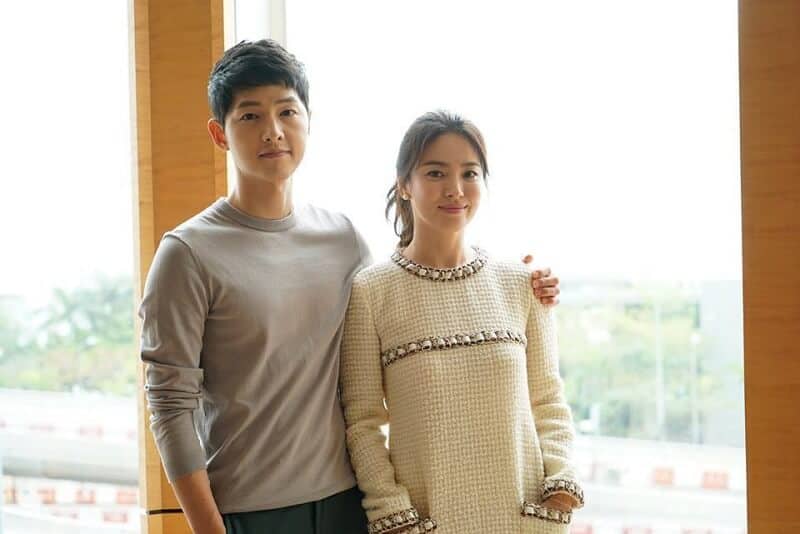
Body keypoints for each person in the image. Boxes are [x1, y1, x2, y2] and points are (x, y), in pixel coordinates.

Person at [139, 40, 562, 534]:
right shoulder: (187, 253)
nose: (273, 131)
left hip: (349, 504)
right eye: (250, 116)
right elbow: (169, 407)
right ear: (220, 134)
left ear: (308, 121)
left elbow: (414, 291)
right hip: (249, 510)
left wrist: (519, 281)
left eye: (287, 112)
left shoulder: (342, 239)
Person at [340, 111, 583, 534]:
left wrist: (561, 488)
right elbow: (362, 422)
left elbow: (548, 400)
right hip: (428, 523)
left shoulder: (522, 282)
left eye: (469, 173)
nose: (455, 189)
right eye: (435, 173)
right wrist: (392, 514)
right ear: (404, 184)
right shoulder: (371, 291)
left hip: (526, 523)